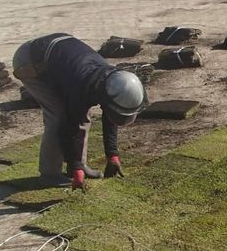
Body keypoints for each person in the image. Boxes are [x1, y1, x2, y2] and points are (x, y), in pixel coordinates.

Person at [12, 33, 147, 190]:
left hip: (59, 54)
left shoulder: (114, 81)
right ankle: (50, 174)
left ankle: (79, 166)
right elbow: (68, 127)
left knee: (80, 115)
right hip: (30, 60)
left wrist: (113, 155)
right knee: (58, 116)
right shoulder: (81, 86)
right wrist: (75, 167)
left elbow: (110, 116)